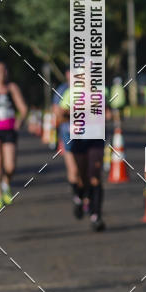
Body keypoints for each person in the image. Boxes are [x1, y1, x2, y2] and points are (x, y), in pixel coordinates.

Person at [55, 85, 106, 232]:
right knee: (79, 175)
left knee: (94, 174)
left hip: (95, 137)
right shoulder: (70, 92)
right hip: (77, 138)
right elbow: (60, 115)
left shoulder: (99, 92)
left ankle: (96, 216)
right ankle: (79, 197)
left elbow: (104, 113)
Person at [53, 69, 89, 218]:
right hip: (68, 136)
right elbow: (57, 116)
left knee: (84, 171)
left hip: (87, 136)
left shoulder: (90, 90)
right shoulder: (63, 90)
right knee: (73, 171)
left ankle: (84, 197)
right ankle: (78, 198)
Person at [0, 62, 28, 208]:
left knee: (10, 166)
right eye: (0, 71)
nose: (2, 74)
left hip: (9, 130)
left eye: (4, 71)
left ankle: (6, 184)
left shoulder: (12, 88)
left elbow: (23, 108)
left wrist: (20, 120)